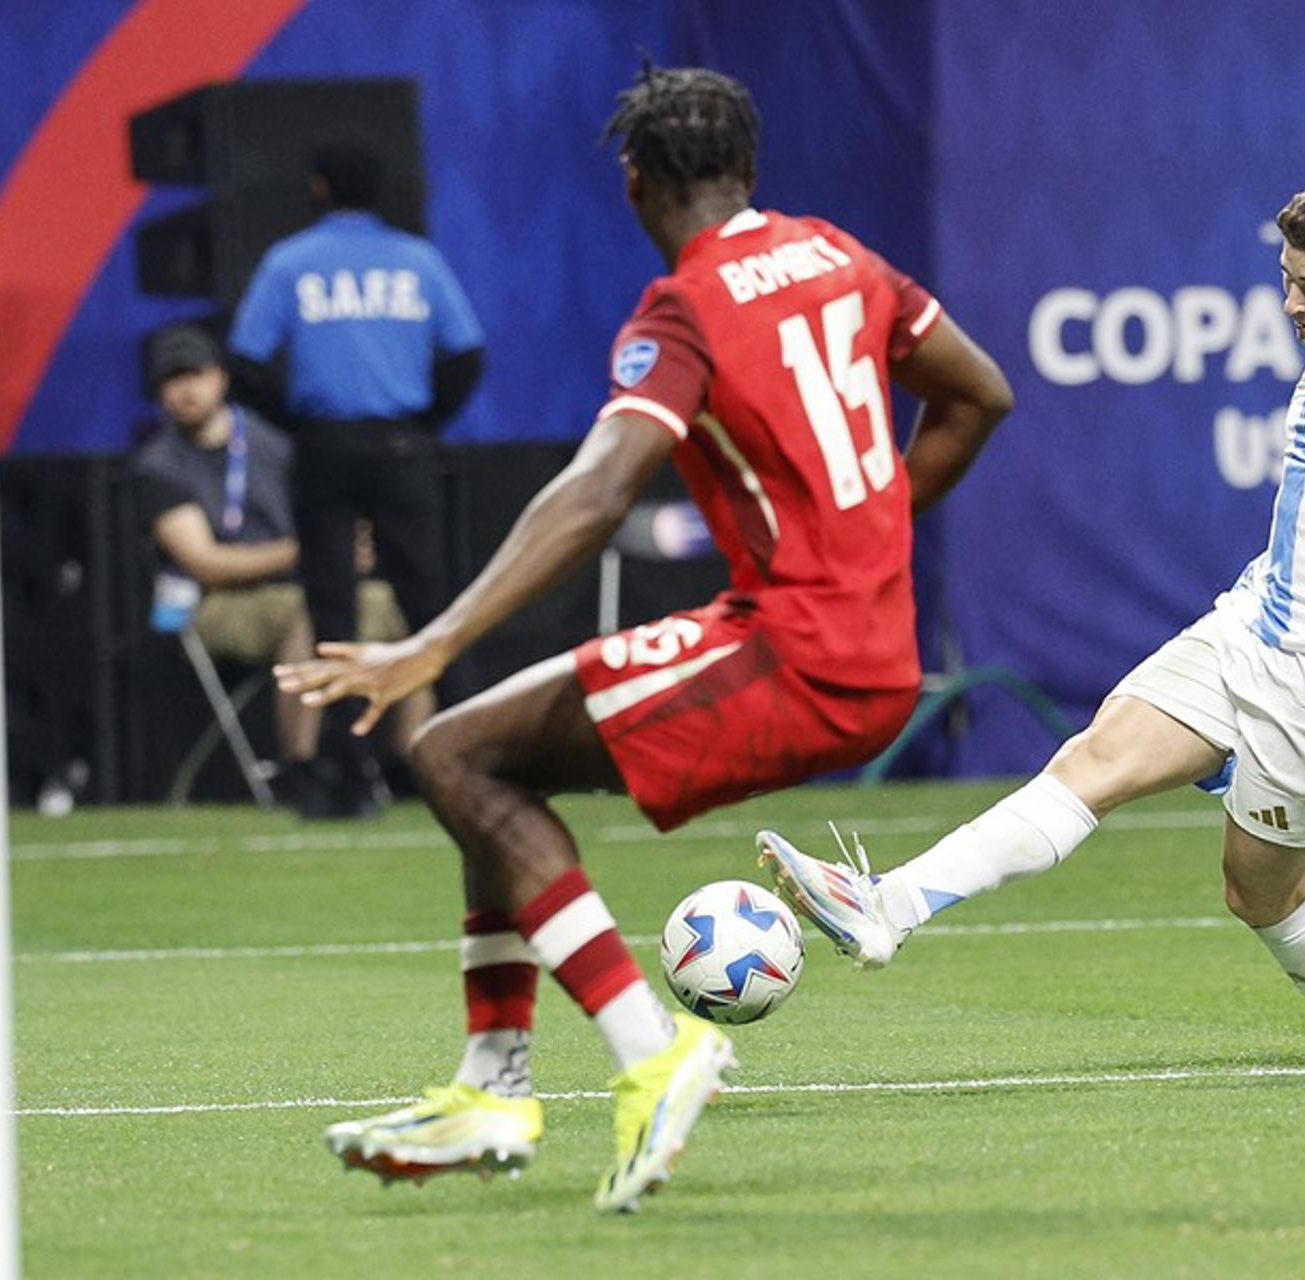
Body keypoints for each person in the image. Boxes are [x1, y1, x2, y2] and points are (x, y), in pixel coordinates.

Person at [276, 64, 1012, 1212]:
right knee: (484, 752)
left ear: (635, 183)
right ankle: (491, 1081)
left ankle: (651, 1047)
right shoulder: (840, 256)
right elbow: (979, 394)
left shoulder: (687, 305)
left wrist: (434, 638)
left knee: (451, 751)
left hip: (798, 652)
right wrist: (868, 533)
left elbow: (596, 490)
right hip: (859, 644)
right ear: (748, 169)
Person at [760, 172, 1305, 1067]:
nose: (1291, 304)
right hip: (1253, 627)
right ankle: (887, 907)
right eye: (1286, 278)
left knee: (1258, 892)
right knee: (1093, 761)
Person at [227, 136, 486, 815]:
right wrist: (424, 422)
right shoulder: (417, 261)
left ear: (318, 188)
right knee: (431, 602)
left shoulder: (291, 263)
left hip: (325, 448)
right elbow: (465, 355)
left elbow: (246, 364)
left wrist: (300, 421)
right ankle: (485, 750)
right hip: (403, 446)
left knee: (332, 608)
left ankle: (342, 776)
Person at [131, 326, 430, 817]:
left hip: (306, 580)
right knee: (315, 613)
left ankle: (410, 761)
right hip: (219, 605)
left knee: (412, 613)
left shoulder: (274, 444)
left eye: (196, 375)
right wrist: (309, 553)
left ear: (221, 378)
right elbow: (205, 562)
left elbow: (335, 517)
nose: (187, 390)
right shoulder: (159, 467)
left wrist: (349, 547)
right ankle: (305, 766)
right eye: (173, 379)